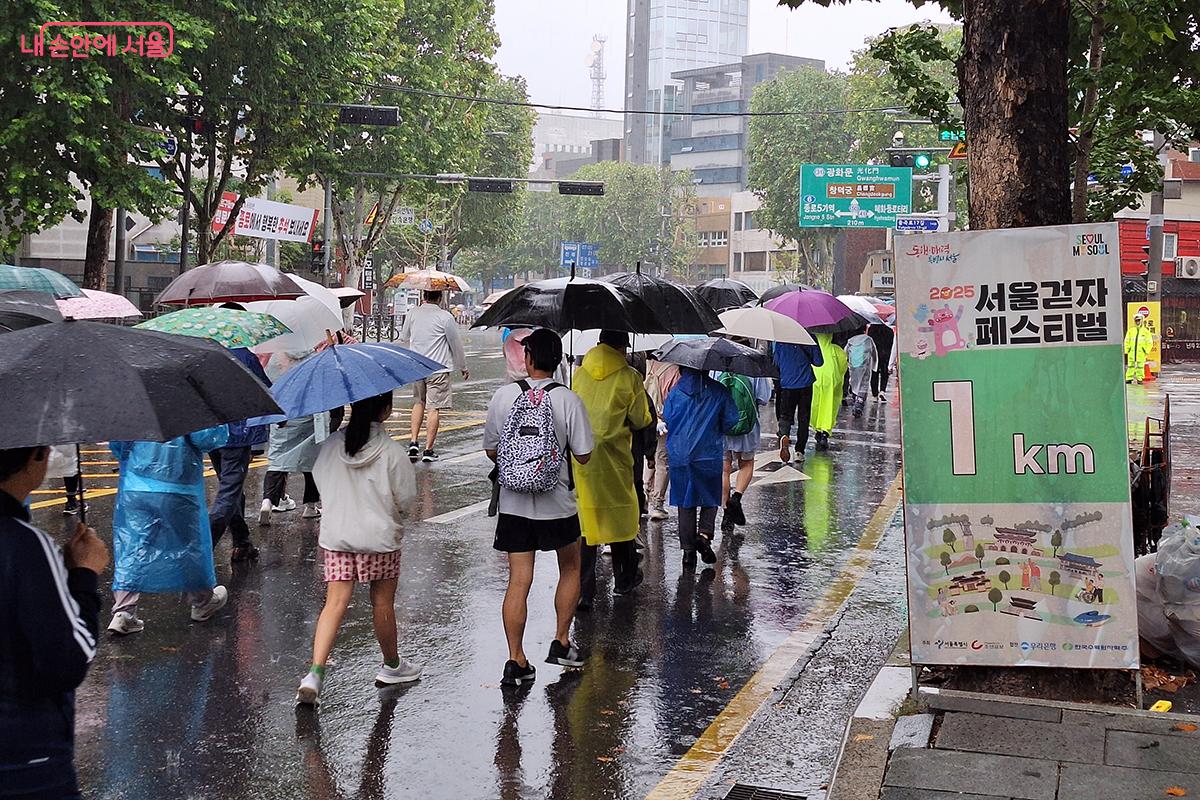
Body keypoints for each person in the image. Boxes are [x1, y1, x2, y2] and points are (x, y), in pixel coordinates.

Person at [483, 329, 594, 687]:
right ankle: (561, 641)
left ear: (528, 360)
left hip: (514, 505)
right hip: (558, 504)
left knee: (519, 579)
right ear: (559, 360)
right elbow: (584, 455)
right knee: (571, 566)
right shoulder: (568, 400)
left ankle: (515, 660)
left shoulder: (504, 396)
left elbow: (491, 450)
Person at [297, 391, 420, 705]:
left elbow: (320, 482)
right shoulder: (392, 452)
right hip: (380, 540)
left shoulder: (330, 447)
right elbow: (406, 499)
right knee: (382, 603)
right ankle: (392, 666)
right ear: (387, 410)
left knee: (334, 603)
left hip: (338, 537)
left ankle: (314, 673)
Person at [0, 445, 108, 799]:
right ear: (34, 458)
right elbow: (68, 658)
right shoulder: (24, 545)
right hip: (25, 762)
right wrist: (83, 575)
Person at [107, 425, 231, 635]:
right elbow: (208, 438)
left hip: (136, 484)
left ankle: (123, 611)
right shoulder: (188, 397)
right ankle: (202, 601)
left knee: (133, 546)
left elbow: (118, 444)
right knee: (189, 545)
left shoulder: (135, 400)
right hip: (178, 484)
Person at [572, 330, 653, 601]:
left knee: (588, 519)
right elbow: (641, 418)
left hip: (582, 456)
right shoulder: (630, 376)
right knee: (622, 515)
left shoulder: (580, 374)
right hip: (616, 458)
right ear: (622, 348)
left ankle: (584, 591)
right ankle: (624, 578)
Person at [662, 367, 739, 569]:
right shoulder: (719, 390)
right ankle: (704, 535)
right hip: (708, 452)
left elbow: (668, 417)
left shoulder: (676, 391)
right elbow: (731, 420)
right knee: (709, 498)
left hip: (680, 453)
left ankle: (688, 552)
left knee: (685, 502)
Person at [211, 348, 271, 562]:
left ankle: (241, 541)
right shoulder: (245, 357)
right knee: (229, 492)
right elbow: (264, 387)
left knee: (232, 489)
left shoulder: (207, 353)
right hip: (237, 434)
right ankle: (206, 542)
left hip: (211, 432)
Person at [399, 290, 468, 462]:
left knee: (418, 402)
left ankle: (413, 442)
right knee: (433, 408)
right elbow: (455, 343)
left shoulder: (413, 313)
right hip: (438, 369)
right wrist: (463, 366)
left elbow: (403, 337)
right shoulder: (445, 317)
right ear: (440, 297)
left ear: (424, 296)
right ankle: (428, 451)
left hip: (417, 367)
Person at [259, 349, 327, 523]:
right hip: (307, 415)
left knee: (277, 460)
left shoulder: (275, 359)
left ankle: (268, 501)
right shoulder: (314, 359)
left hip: (283, 415)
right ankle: (310, 506)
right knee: (310, 461)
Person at [719, 371, 773, 531]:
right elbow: (764, 398)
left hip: (722, 424)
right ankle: (737, 496)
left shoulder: (717, 363)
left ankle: (726, 513)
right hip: (747, 424)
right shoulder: (753, 367)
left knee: (724, 469)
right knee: (746, 464)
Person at [772, 341, 823, 464]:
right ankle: (800, 450)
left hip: (787, 383)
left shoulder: (780, 340)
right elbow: (819, 362)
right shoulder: (809, 338)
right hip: (805, 383)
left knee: (785, 416)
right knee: (803, 418)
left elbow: (776, 363)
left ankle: (784, 435)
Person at [644, 358, 681, 521]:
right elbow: (676, 400)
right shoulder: (674, 370)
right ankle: (658, 504)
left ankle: (644, 494)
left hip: (645, 418)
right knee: (662, 462)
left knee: (647, 458)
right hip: (664, 421)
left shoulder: (644, 365)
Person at [810, 333, 848, 450]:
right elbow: (843, 365)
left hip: (815, 380)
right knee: (829, 406)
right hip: (831, 381)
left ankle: (816, 427)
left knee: (815, 405)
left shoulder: (812, 348)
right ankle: (825, 431)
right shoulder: (836, 350)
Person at [844, 328, 879, 419]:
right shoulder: (868, 339)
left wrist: (847, 363)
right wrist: (874, 366)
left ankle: (855, 397)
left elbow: (845, 353)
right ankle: (859, 403)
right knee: (864, 383)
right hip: (865, 365)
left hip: (853, 366)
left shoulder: (850, 341)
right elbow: (874, 352)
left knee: (854, 383)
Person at [868, 323, 895, 402]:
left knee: (874, 373)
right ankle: (882, 391)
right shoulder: (889, 330)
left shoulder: (872, 329)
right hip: (886, 354)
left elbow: (870, 342)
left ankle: (875, 394)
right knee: (884, 373)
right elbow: (891, 345)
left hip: (875, 354)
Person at [1124, 312, 1152, 385]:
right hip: (1132, 351)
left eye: (1139, 320)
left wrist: (1146, 351)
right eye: (1136, 320)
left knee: (1140, 366)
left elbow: (1149, 342)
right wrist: (1127, 350)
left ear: (1142, 320)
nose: (1137, 322)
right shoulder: (1131, 330)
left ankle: (1139, 379)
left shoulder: (1146, 331)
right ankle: (1128, 378)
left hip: (1141, 352)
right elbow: (1126, 340)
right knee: (1130, 365)